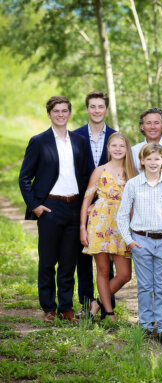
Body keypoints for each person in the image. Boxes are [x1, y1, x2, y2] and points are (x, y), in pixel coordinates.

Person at [19, 96, 88, 323]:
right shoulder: (39, 142)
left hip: (74, 206)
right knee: (48, 261)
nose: (60, 114)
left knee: (69, 262)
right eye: (56, 111)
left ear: (70, 113)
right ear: (49, 114)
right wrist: (35, 206)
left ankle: (65, 308)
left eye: (64, 110)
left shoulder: (79, 141)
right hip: (49, 207)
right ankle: (49, 308)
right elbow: (24, 178)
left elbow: (85, 176)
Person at [117, 143, 162, 345]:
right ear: (142, 161)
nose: (153, 163)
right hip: (141, 241)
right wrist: (130, 241)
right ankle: (146, 326)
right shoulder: (133, 184)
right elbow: (121, 216)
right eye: (149, 159)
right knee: (145, 287)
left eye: (157, 158)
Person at [80, 132, 137, 321]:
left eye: (122, 146)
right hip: (99, 222)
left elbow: (135, 204)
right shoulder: (100, 171)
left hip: (121, 225)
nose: (118, 149)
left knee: (124, 274)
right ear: (108, 148)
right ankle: (110, 314)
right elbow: (87, 200)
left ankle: (97, 303)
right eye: (114, 146)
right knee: (103, 270)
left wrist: (134, 229)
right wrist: (82, 227)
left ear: (127, 149)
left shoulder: (132, 173)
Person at [130, 108, 162, 324]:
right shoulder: (133, 151)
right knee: (145, 283)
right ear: (141, 126)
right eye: (147, 123)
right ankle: (147, 324)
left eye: (156, 122)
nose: (152, 126)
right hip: (141, 225)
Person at [73, 90, 117, 318]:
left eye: (101, 106)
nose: (97, 110)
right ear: (87, 109)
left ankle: (106, 305)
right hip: (81, 203)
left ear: (106, 110)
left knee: (107, 259)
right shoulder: (75, 136)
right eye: (93, 106)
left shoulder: (116, 138)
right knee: (84, 257)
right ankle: (86, 302)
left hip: (109, 211)